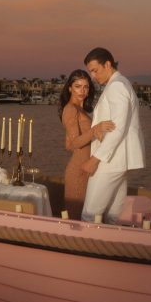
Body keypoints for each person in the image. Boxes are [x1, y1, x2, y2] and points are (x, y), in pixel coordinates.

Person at [81, 47, 145, 223]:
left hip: (109, 160)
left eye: (95, 70)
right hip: (118, 160)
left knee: (90, 213)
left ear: (108, 64)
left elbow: (118, 128)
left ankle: (86, 248)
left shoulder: (117, 86)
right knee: (113, 214)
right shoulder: (121, 83)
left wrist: (94, 160)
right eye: (90, 72)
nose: (93, 76)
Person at [59, 69, 114, 221]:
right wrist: (95, 130)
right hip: (78, 171)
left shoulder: (80, 110)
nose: (82, 91)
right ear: (70, 88)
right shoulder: (70, 109)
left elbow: (69, 145)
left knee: (82, 218)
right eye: (78, 86)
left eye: (86, 87)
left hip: (86, 168)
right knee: (76, 219)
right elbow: (76, 143)